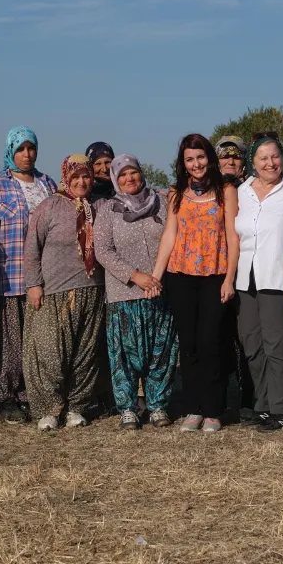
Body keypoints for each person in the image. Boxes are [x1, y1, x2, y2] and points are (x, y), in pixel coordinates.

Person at [152, 133, 239, 433]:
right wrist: (156, 275)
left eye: (200, 157)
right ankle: (193, 408)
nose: (196, 163)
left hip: (215, 275)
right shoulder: (177, 192)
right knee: (188, 344)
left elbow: (233, 235)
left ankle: (213, 410)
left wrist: (230, 278)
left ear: (209, 158)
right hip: (181, 276)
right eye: (190, 159)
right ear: (183, 163)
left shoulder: (225, 190)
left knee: (210, 342)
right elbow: (169, 236)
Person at [93, 154, 177, 429]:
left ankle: (157, 405)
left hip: (159, 290)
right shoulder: (108, 209)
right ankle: (128, 407)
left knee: (160, 352)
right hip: (124, 294)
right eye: (123, 175)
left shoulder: (162, 203)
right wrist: (135, 276)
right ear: (116, 179)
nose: (129, 179)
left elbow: (173, 237)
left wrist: (156, 278)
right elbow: (103, 250)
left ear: (142, 173)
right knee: (124, 355)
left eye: (134, 173)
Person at [23, 155, 107, 430]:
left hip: (91, 290)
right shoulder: (49, 207)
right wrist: (34, 285)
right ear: (66, 178)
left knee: (85, 353)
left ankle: (76, 407)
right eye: (76, 178)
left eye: (86, 177)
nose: (82, 182)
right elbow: (32, 249)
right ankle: (48, 409)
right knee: (50, 353)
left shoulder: (97, 207)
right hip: (54, 292)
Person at [0, 126, 59, 424]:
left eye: (31, 148)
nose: (27, 154)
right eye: (20, 149)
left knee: (34, 342)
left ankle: (30, 395)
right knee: (6, 341)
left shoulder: (47, 184)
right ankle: (4, 397)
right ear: (10, 151)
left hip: (41, 278)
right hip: (6, 275)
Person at [234, 134, 283, 432]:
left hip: (277, 278)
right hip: (245, 279)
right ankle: (261, 404)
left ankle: (281, 407)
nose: (270, 163)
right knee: (252, 345)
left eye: (275, 156)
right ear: (252, 162)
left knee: (277, 344)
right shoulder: (242, 192)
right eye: (263, 158)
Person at [215, 134, 254, 420]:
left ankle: (249, 399)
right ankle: (217, 400)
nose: (230, 160)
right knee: (218, 339)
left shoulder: (254, 188)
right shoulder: (205, 190)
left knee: (247, 338)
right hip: (214, 273)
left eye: (236, 156)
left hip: (247, 273)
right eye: (224, 156)